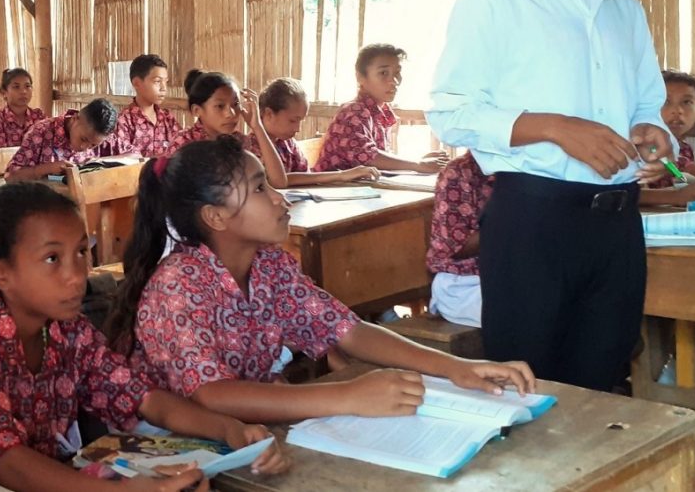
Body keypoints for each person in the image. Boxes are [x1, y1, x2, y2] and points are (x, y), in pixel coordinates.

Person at [427, 0, 673, 391]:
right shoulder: (494, 2)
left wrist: (654, 137)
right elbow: (449, 111)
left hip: (616, 228)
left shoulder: (623, 8)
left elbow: (646, 106)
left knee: (604, 383)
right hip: (534, 225)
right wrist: (554, 128)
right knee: (528, 389)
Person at [106, 138, 534, 423]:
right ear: (215, 216)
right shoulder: (180, 284)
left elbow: (347, 330)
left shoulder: (270, 266)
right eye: (259, 189)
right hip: (165, 451)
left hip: (245, 433)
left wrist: (457, 369)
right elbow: (210, 395)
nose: (280, 198)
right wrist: (346, 396)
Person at [0, 182, 288, 489]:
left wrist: (230, 431)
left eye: (80, 252)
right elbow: (7, 463)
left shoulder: (66, 328)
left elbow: (141, 396)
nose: (77, 275)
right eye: (52, 259)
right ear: (0, 273)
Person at [313, 45, 448, 174]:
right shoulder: (353, 111)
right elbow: (369, 157)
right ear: (360, 77)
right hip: (331, 190)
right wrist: (417, 164)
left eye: (397, 72)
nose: (394, 80)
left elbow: (381, 161)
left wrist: (420, 160)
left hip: (359, 190)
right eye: (383, 73)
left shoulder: (381, 112)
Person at [164, 70, 287, 190]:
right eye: (220, 106)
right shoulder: (184, 143)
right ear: (197, 110)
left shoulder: (240, 142)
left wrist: (258, 127)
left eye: (235, 104)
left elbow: (278, 182)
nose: (230, 113)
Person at [259, 78, 379, 186]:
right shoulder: (251, 147)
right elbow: (276, 180)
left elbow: (306, 175)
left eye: (300, 121)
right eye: (292, 121)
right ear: (269, 114)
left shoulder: (288, 144)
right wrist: (341, 175)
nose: (298, 129)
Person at [425, 153, 492, 328]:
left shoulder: (527, 171)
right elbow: (457, 247)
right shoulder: (459, 173)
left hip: (512, 278)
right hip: (464, 284)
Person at [4, 98, 119, 182]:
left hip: (76, 200)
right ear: (75, 119)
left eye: (92, 145)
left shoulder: (103, 138)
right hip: (40, 205)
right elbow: (10, 177)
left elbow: (133, 155)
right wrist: (45, 169)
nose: (84, 148)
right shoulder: (42, 132)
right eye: (83, 139)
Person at [98, 54, 180, 158]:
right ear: (136, 83)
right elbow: (122, 162)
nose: (163, 88)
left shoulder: (168, 119)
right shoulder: (124, 121)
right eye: (157, 81)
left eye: (165, 82)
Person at [0, 68, 47, 148]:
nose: (23, 91)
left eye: (27, 86)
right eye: (16, 87)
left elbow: (47, 148)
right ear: (4, 92)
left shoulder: (39, 116)